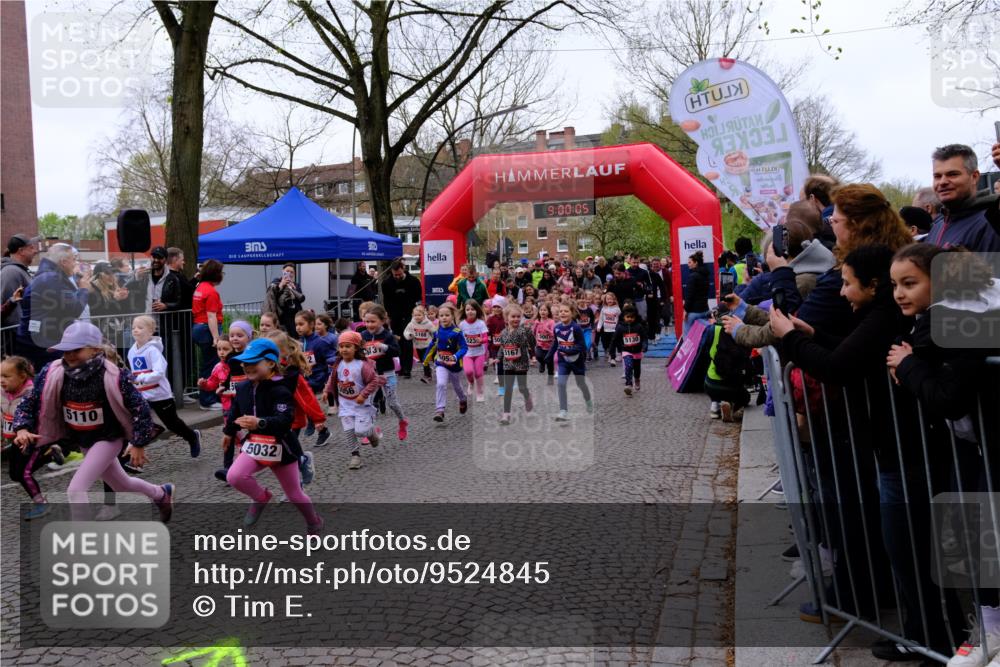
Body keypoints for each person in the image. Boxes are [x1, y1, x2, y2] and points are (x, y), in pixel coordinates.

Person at [12, 321, 174, 522]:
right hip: (83, 437)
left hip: (109, 436)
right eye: (65, 351)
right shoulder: (52, 372)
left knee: (76, 489)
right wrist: (22, 428)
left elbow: (139, 407)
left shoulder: (113, 375)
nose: (69, 356)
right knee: (121, 484)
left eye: (76, 350)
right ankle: (161, 493)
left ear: (95, 350)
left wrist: (139, 443)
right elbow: (30, 400)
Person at [222, 338, 322, 533]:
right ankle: (261, 497)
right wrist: (228, 432)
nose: (247, 367)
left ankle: (314, 523)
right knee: (234, 476)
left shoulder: (281, 389)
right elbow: (235, 410)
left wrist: (260, 422)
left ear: (270, 363)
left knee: (294, 495)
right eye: (244, 363)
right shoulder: (243, 388)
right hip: (256, 444)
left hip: (282, 447)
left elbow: (285, 420)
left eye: (253, 363)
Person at [128, 315, 201, 457]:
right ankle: (132, 457)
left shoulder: (153, 351)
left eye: (140, 327)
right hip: (142, 395)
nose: (135, 330)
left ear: (150, 331)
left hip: (160, 394)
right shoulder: (132, 351)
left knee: (172, 423)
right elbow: (133, 372)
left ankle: (192, 436)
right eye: (133, 328)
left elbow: (159, 372)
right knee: (135, 422)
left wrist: (140, 379)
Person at [4, 356, 65, 520]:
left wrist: (30, 432)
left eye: (7, 376)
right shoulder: (4, 393)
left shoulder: (32, 393)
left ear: (22, 376)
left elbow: (43, 416)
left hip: (36, 439)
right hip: (17, 440)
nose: (2, 381)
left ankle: (41, 504)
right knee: (15, 474)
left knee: (24, 473)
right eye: (0, 376)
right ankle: (49, 455)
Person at [16, 243, 91, 371]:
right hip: (43, 344)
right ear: (63, 262)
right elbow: (73, 309)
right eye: (74, 259)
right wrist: (83, 290)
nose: (75, 263)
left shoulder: (49, 276)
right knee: (48, 382)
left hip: (42, 341)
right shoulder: (51, 279)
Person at [323, 330, 384, 471]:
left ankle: (372, 434)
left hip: (361, 404)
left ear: (356, 348)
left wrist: (363, 395)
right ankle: (355, 456)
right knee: (349, 431)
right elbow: (332, 379)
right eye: (341, 346)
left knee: (361, 432)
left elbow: (374, 381)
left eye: (348, 346)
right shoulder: (338, 364)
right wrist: (327, 391)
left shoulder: (362, 365)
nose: (344, 349)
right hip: (345, 404)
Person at [927, 143, 1000, 251]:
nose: (942, 182)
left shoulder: (992, 223)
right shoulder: (937, 226)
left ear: (974, 177)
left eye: (952, 174)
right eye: (937, 176)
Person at [360, 304, 408, 441]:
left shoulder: (387, 336)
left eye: (373, 321)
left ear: (382, 321)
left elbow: (397, 351)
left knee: (392, 403)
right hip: (370, 375)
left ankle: (402, 421)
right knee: (368, 403)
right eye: (367, 321)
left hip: (387, 373)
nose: (369, 324)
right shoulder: (363, 335)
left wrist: (384, 347)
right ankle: (371, 430)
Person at [546, 303, 593, 421]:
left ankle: (588, 401)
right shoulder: (557, 327)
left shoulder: (576, 328)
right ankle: (563, 411)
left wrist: (569, 351)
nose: (563, 313)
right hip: (563, 362)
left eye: (566, 311)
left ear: (572, 314)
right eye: (561, 311)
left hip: (577, 361)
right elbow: (555, 344)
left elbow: (582, 346)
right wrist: (548, 356)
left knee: (581, 384)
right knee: (561, 384)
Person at [294, 310, 336, 438]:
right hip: (305, 377)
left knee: (303, 397)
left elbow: (331, 357)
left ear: (311, 324)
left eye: (301, 324)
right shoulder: (299, 343)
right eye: (296, 324)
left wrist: (325, 363)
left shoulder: (320, 342)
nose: (298, 327)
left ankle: (311, 420)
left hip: (318, 377)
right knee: (298, 400)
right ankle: (323, 432)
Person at [423, 303, 468, 422]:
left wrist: (456, 356)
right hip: (441, 363)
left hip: (455, 365)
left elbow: (464, 348)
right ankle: (440, 410)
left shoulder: (457, 332)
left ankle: (463, 399)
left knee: (457, 386)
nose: (444, 318)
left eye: (447, 315)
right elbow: (432, 346)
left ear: (452, 316)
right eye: (441, 315)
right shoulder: (437, 332)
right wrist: (425, 359)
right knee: (441, 384)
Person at [380, 259, 422, 378]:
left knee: (407, 340)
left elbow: (418, 298)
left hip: (409, 314)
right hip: (395, 315)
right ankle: (401, 367)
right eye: (395, 275)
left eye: (399, 274)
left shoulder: (413, 281)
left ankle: (407, 369)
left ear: (403, 269)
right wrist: (388, 316)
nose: (397, 276)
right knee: (397, 341)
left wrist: (418, 313)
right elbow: (386, 301)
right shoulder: (387, 283)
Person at [191, 259, 225, 409]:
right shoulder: (211, 292)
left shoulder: (201, 287)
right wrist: (216, 337)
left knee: (207, 363)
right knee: (211, 365)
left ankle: (208, 397)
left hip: (198, 327)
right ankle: (207, 400)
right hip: (207, 329)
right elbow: (211, 316)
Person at [497, 303, 535, 425]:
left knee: (522, 387)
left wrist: (533, 355)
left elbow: (532, 343)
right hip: (508, 363)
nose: (516, 319)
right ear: (506, 318)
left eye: (518, 316)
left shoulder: (524, 330)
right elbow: (502, 347)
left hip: (521, 363)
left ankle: (527, 397)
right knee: (508, 388)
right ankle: (506, 414)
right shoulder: (503, 333)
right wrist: (498, 358)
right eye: (513, 317)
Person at [1, 234, 39, 334]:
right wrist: (21, 335)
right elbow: (11, 312)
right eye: (31, 248)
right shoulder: (11, 271)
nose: (35, 251)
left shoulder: (19, 270)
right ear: (21, 251)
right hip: (16, 340)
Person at [613, 305, 647, 396]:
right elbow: (615, 339)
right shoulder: (620, 327)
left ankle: (637, 379)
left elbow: (644, 338)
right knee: (628, 366)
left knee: (636, 369)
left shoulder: (639, 326)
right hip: (626, 350)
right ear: (624, 317)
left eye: (632, 317)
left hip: (637, 351)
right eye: (628, 317)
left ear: (635, 317)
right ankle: (628, 384)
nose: (629, 319)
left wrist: (644, 346)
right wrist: (613, 351)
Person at [459, 299, 489, 402]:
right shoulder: (462, 324)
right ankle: (471, 383)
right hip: (467, 353)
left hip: (479, 353)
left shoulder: (480, 323)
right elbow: (458, 338)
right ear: (465, 311)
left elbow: (486, 338)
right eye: (468, 309)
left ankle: (480, 393)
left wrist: (481, 340)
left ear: (477, 310)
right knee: (468, 371)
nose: (470, 311)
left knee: (478, 373)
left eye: (472, 309)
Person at [265, 264, 306, 334]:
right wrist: (281, 284)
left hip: (295, 314)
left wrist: (293, 289)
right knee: (284, 335)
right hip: (282, 315)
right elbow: (271, 295)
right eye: (287, 271)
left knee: (295, 334)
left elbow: (301, 299)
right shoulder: (276, 282)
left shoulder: (296, 284)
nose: (289, 273)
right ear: (283, 271)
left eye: (291, 272)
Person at [403, 305, 437, 384]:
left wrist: (436, 338)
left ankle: (427, 376)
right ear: (412, 315)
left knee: (425, 360)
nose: (417, 317)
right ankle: (428, 371)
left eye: (419, 315)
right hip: (418, 345)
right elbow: (406, 331)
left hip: (428, 345)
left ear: (424, 315)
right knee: (423, 361)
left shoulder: (428, 323)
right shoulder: (411, 324)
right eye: (415, 315)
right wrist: (409, 335)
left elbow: (434, 331)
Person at [681, 251, 710, 335]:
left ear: (696, 263)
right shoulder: (706, 275)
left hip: (693, 312)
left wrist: (685, 309)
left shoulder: (693, 276)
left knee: (687, 336)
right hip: (705, 310)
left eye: (690, 262)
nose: (688, 264)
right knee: (702, 336)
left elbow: (689, 295)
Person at [533, 302, 556, 382]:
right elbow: (533, 332)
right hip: (539, 344)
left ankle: (550, 378)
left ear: (548, 312)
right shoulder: (537, 321)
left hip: (549, 346)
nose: (543, 312)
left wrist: (548, 330)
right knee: (538, 356)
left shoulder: (551, 322)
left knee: (550, 363)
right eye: (541, 310)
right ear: (539, 311)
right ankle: (542, 363)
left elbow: (554, 334)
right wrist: (535, 326)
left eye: (545, 310)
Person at [597, 292, 621, 365]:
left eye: (611, 299)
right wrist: (599, 326)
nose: (609, 300)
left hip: (614, 330)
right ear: (605, 300)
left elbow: (620, 318)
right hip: (605, 330)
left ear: (614, 299)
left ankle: (612, 357)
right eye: (608, 299)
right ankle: (607, 351)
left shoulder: (617, 309)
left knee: (612, 344)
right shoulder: (604, 309)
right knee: (605, 343)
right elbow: (601, 319)